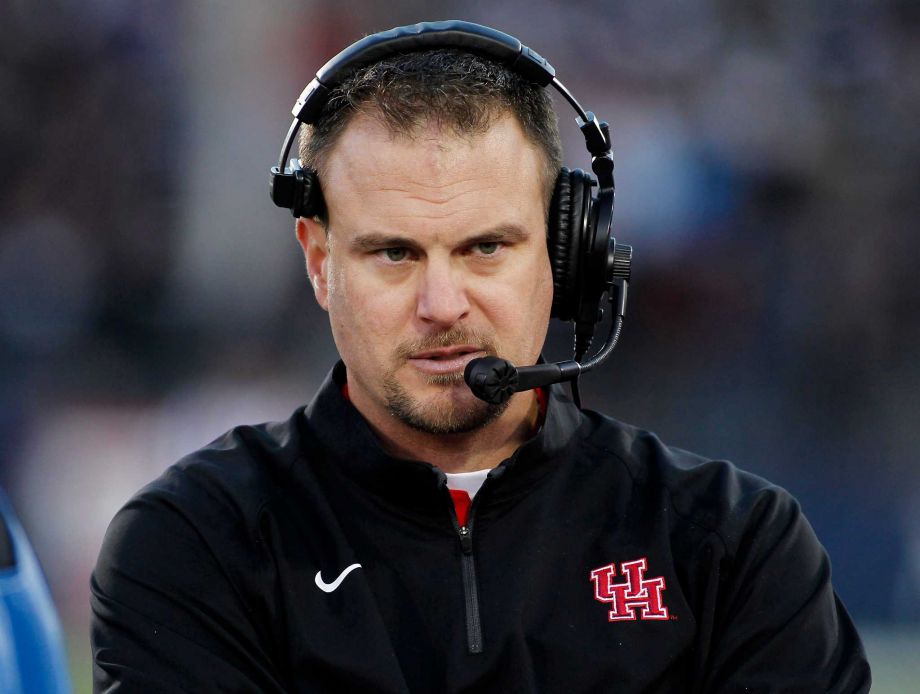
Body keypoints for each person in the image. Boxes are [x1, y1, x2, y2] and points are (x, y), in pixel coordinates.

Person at [91, 22, 871, 693]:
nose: (442, 304)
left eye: (486, 247)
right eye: (394, 253)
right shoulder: (194, 543)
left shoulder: (734, 547)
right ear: (320, 262)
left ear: (567, 256)